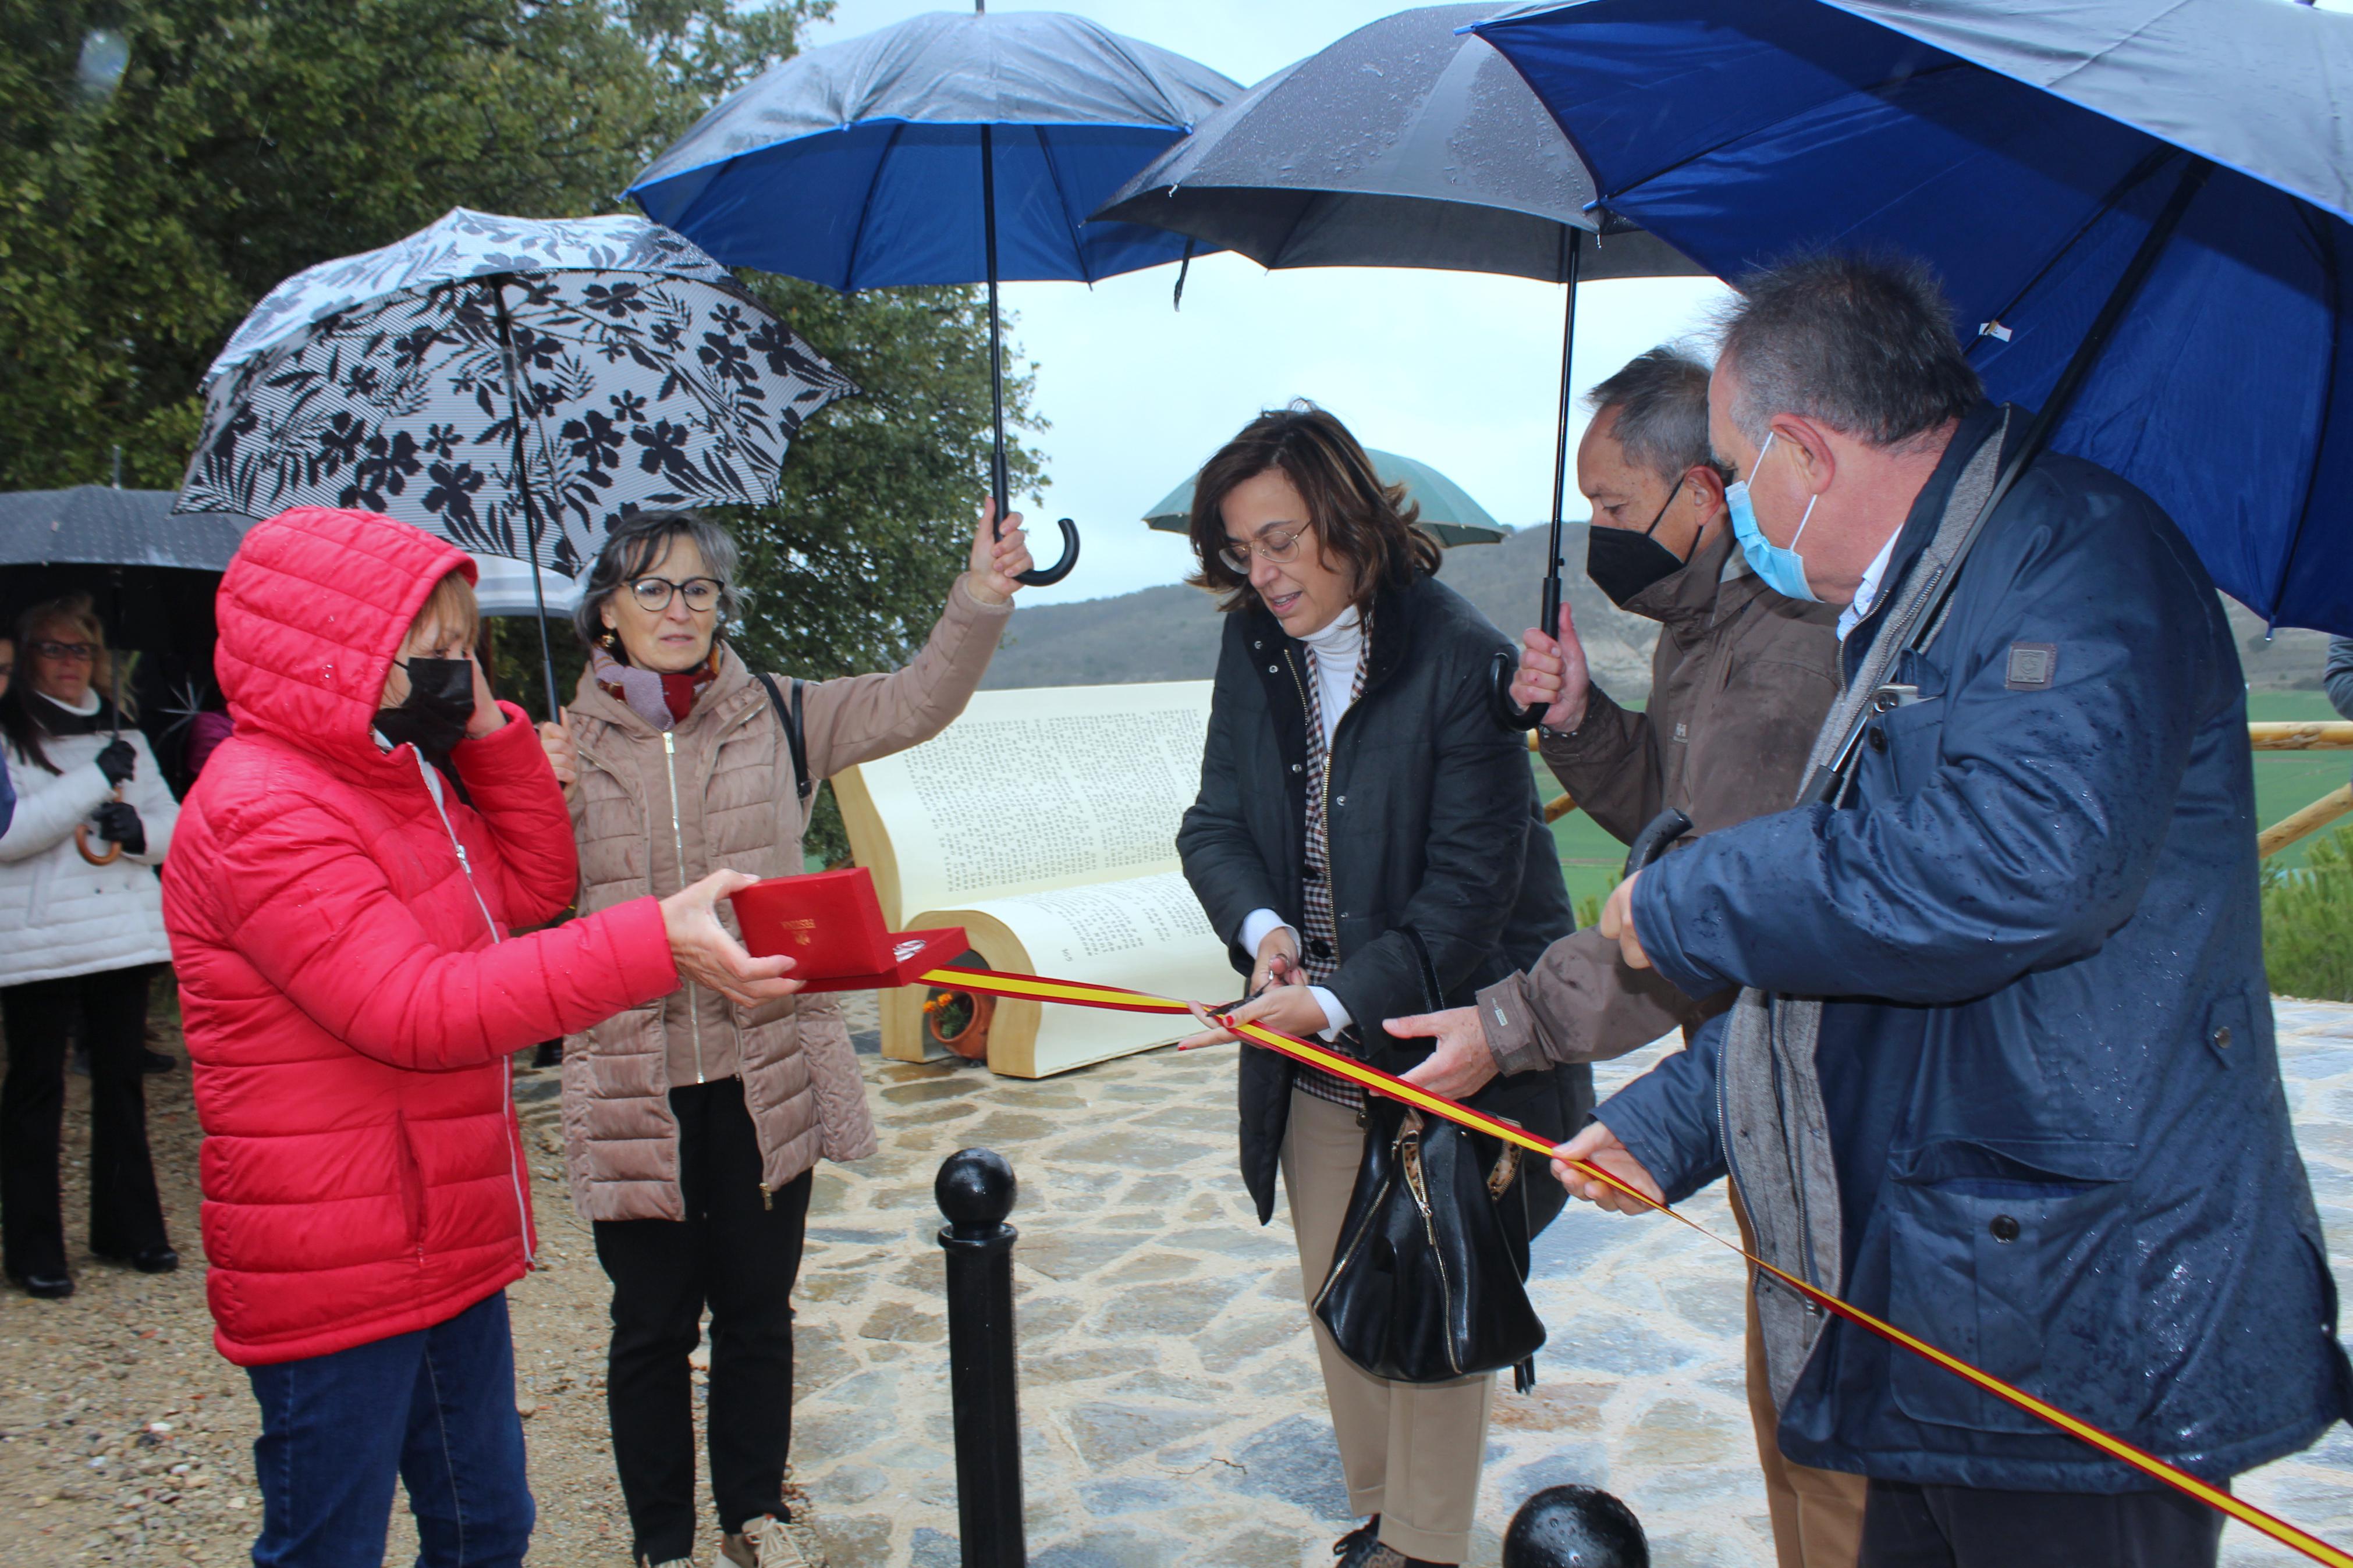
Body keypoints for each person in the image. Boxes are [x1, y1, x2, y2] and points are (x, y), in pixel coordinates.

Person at [1556, 254, 2353, 1568]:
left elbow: (2011, 866)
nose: (1733, 503)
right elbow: (1870, 946)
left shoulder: (2075, 568)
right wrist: (1668, 1122)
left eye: (1733, 464)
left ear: (1800, 456)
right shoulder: (1936, 590)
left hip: (2078, 1318)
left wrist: (1693, 895)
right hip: (1959, 1284)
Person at [163, 505, 800, 1568]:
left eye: (471, 648)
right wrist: (655, 943)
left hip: (438, 1229)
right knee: (330, 1541)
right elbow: (419, 1010)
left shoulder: (396, 777)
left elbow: (529, 891)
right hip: (339, 1258)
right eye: (439, 650)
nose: (461, 670)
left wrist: (496, 742)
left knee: (485, 1527)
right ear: (343, 652)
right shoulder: (263, 811)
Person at [1387, 348, 1859, 1568]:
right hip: (1753, 1083)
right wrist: (1584, 723)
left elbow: (1702, 912)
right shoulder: (1703, 623)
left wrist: (1506, 1026)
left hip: (1811, 1090)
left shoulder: (1782, 646)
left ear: (1701, 493)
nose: (1598, 532)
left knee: (1828, 1414)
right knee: (1790, 1380)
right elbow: (1667, 799)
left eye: (1610, 506)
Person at [548, 501, 1031, 1568]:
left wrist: (979, 601)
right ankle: (662, 1542)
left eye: (699, 588)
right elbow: (522, 902)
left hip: (763, 1068)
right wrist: (523, 792)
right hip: (634, 1077)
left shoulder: (778, 709)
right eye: (653, 588)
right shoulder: (557, 743)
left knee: (757, 1311)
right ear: (607, 612)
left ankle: (752, 1515)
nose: (680, 609)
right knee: (651, 1325)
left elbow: (916, 700)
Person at [1173, 403, 1584, 1568]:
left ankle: (1421, 1545)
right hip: (1303, 1040)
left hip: (1433, 1036)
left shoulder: (1461, 657)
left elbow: (1466, 898)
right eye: (1240, 549)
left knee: (1433, 1291)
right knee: (1334, 1295)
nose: (1262, 572)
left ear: (1348, 518)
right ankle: (1377, 1518)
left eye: (1282, 539)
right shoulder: (1249, 650)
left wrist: (1337, 995)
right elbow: (1211, 822)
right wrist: (1262, 934)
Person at [0, 596, 180, 1300]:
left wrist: (135, 833)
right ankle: (34, 1247)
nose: (69, 663)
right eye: (52, 648)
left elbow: (176, 825)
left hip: (119, 934)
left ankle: (128, 1227)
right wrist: (93, 781)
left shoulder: (122, 732)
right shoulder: (11, 735)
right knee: (36, 1090)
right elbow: (12, 834)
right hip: (37, 940)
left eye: (80, 650)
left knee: (122, 1084)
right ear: (27, 655)